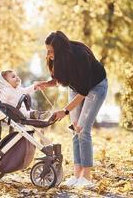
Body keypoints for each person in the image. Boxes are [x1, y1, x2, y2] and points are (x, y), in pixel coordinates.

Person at [35, 31, 108, 187]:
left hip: (94, 88)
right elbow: (60, 80)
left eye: (51, 51)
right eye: (47, 50)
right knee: (75, 130)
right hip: (77, 88)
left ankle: (86, 178)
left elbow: (84, 91)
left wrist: (65, 110)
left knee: (83, 130)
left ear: (60, 50)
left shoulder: (80, 55)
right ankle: (76, 176)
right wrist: (46, 84)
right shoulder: (58, 58)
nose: (49, 54)